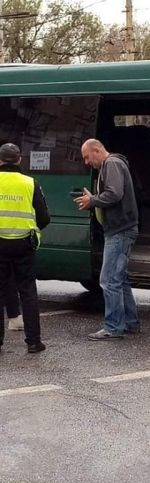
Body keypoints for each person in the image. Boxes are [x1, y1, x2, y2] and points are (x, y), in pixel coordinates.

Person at [75, 139, 140, 340]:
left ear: (97, 150)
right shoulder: (112, 164)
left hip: (119, 230)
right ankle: (130, 322)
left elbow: (114, 194)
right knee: (120, 280)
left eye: (87, 157)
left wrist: (93, 200)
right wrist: (93, 197)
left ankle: (113, 327)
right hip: (122, 228)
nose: (86, 162)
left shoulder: (111, 164)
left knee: (109, 280)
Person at [0, 143, 50, 354]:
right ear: (20, 159)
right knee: (28, 291)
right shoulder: (30, 183)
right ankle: (33, 341)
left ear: (0, 160)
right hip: (23, 245)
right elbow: (44, 218)